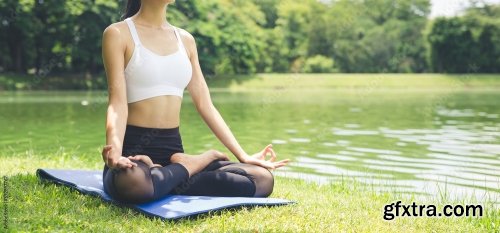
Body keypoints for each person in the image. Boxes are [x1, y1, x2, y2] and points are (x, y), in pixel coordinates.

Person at [100, 0, 289, 204]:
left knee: (262, 179)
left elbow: (205, 104)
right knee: (133, 183)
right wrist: (116, 152)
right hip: (134, 152)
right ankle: (190, 166)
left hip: (172, 150)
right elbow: (117, 103)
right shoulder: (118, 34)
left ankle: (167, 175)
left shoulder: (185, 40)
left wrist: (242, 155)